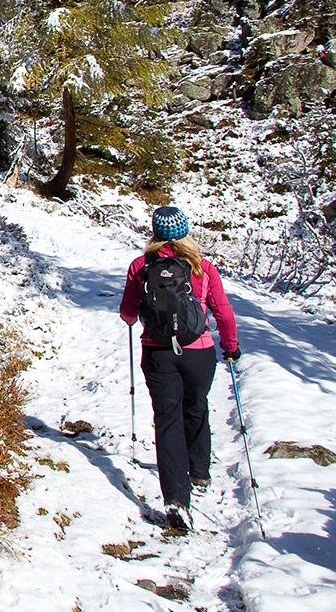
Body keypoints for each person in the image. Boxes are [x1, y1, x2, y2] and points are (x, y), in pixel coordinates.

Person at [119, 206, 240, 533]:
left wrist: (140, 316)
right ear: (186, 231)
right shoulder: (203, 268)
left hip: (158, 353)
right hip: (198, 352)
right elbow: (224, 314)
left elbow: (128, 314)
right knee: (196, 407)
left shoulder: (141, 266)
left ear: (155, 232)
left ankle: (176, 500)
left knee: (168, 419)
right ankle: (199, 471)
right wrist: (230, 347)